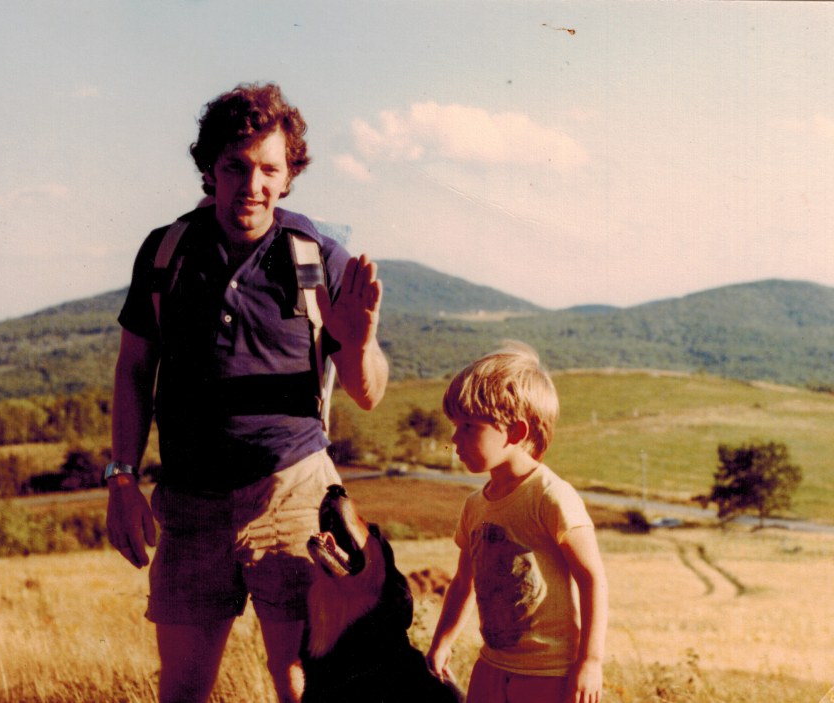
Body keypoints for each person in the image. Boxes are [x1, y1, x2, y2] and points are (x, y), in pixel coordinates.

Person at [105, 82, 388, 703]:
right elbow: (133, 369)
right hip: (189, 503)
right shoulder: (167, 252)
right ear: (210, 169)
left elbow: (367, 393)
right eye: (235, 166)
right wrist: (122, 478)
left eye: (268, 169)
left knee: (299, 684)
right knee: (181, 690)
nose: (251, 185)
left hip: (294, 496)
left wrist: (359, 341)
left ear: (289, 177)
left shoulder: (318, 258)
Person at [425, 342, 607, 703]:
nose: (454, 439)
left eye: (467, 426)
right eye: (454, 425)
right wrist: (441, 643)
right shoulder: (476, 505)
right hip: (491, 667)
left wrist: (590, 661)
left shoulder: (551, 496)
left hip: (549, 674)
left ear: (515, 432)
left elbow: (593, 579)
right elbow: (464, 581)